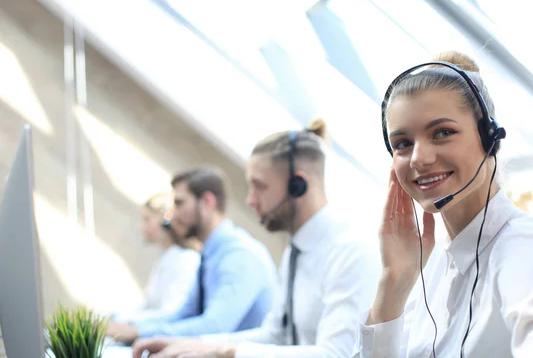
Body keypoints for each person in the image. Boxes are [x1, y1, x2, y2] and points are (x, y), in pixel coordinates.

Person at [352, 51, 533, 357]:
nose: (418, 158)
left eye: (442, 133)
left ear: (490, 137)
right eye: (403, 143)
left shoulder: (525, 247)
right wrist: (394, 280)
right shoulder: (440, 264)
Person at [131, 119, 381, 358]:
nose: (250, 200)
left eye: (259, 187)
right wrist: (190, 345)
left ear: (298, 185)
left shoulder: (350, 250)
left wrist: (226, 352)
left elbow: (337, 355)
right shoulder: (296, 251)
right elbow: (276, 334)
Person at [106, 167, 278, 344]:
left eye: (179, 203)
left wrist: (137, 333)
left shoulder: (240, 255)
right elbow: (184, 314)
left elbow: (214, 327)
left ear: (207, 202)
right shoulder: (210, 254)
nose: (172, 216)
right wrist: (133, 328)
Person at [111, 193, 201, 324]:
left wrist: (122, 321)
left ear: (166, 219)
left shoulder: (186, 259)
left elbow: (171, 313)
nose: (141, 227)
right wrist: (113, 317)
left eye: (147, 219)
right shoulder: (166, 258)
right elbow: (148, 306)